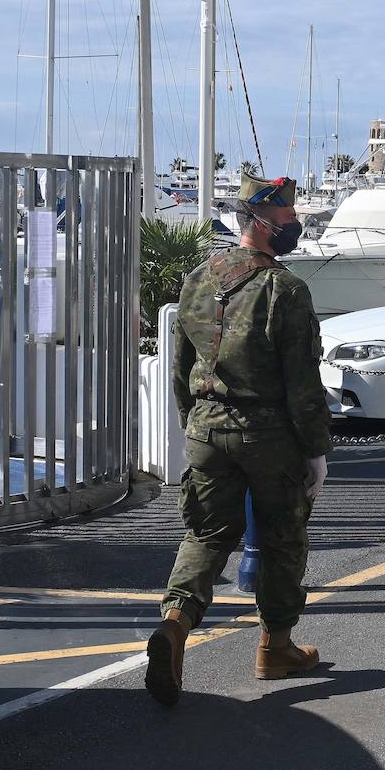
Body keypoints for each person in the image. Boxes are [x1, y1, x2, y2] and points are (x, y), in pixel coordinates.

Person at [146, 172, 332, 707]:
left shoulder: (199, 278)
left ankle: (176, 624)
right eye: (288, 220)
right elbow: (302, 382)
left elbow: (181, 369)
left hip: (207, 429)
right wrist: (316, 449)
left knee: (206, 535)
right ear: (262, 225)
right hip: (270, 435)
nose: (295, 226)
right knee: (282, 539)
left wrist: (194, 422)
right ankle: (276, 646)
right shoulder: (286, 290)